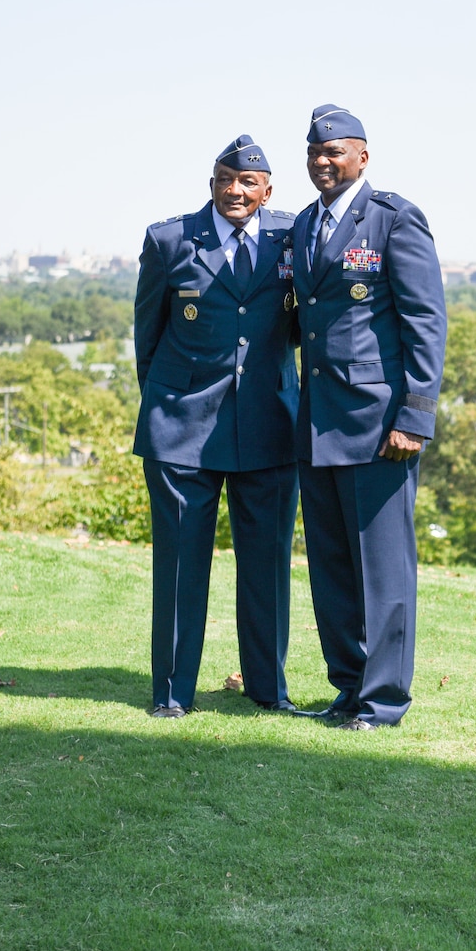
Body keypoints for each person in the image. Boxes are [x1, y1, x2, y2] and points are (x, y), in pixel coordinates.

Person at [132, 134, 302, 718]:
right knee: (180, 567)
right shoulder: (170, 240)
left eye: (248, 182)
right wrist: (166, 406)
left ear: (268, 190)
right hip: (182, 430)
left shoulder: (292, 236)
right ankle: (173, 693)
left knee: (267, 568)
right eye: (226, 179)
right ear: (211, 184)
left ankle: (267, 690)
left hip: (270, 427)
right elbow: (147, 340)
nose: (236, 190)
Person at [291, 104, 446, 729]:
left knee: (383, 574)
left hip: (381, 427)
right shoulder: (304, 225)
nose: (323, 163)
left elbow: (425, 323)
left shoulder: (392, 220)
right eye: (314, 153)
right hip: (316, 423)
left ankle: (383, 702)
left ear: (362, 156)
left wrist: (415, 416)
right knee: (330, 569)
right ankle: (348, 688)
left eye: (335, 152)